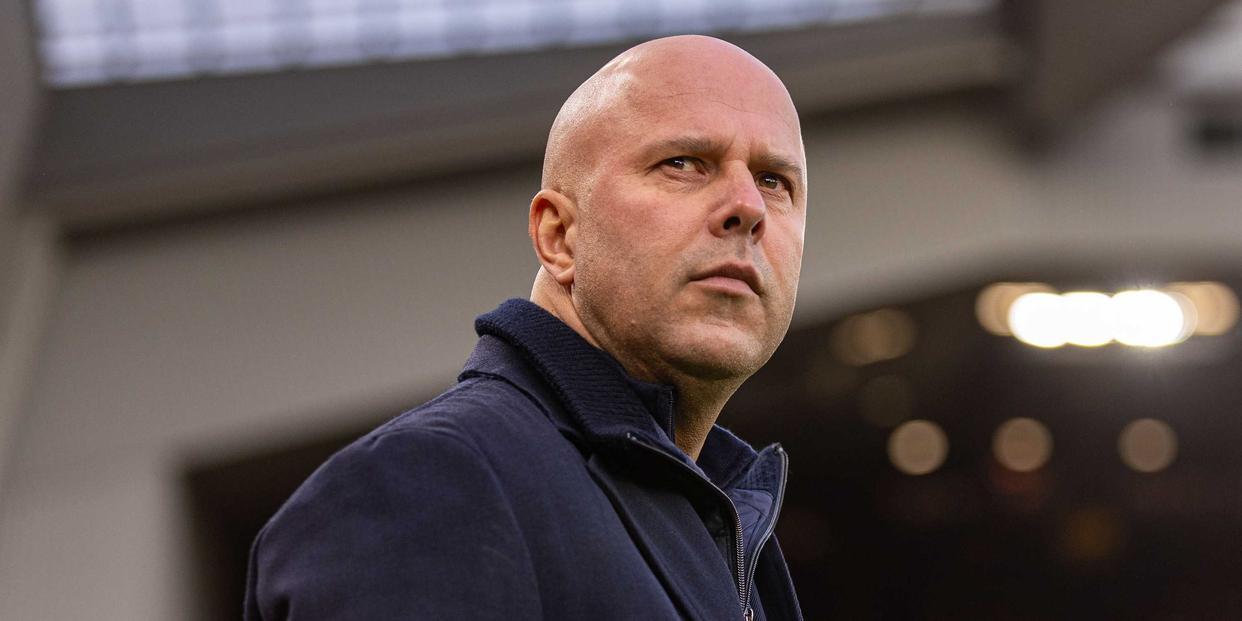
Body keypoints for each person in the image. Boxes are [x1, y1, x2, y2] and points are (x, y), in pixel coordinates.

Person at [245, 34, 807, 621]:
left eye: (773, 180)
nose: (748, 207)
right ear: (559, 236)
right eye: (683, 164)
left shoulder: (723, 520)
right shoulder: (430, 484)